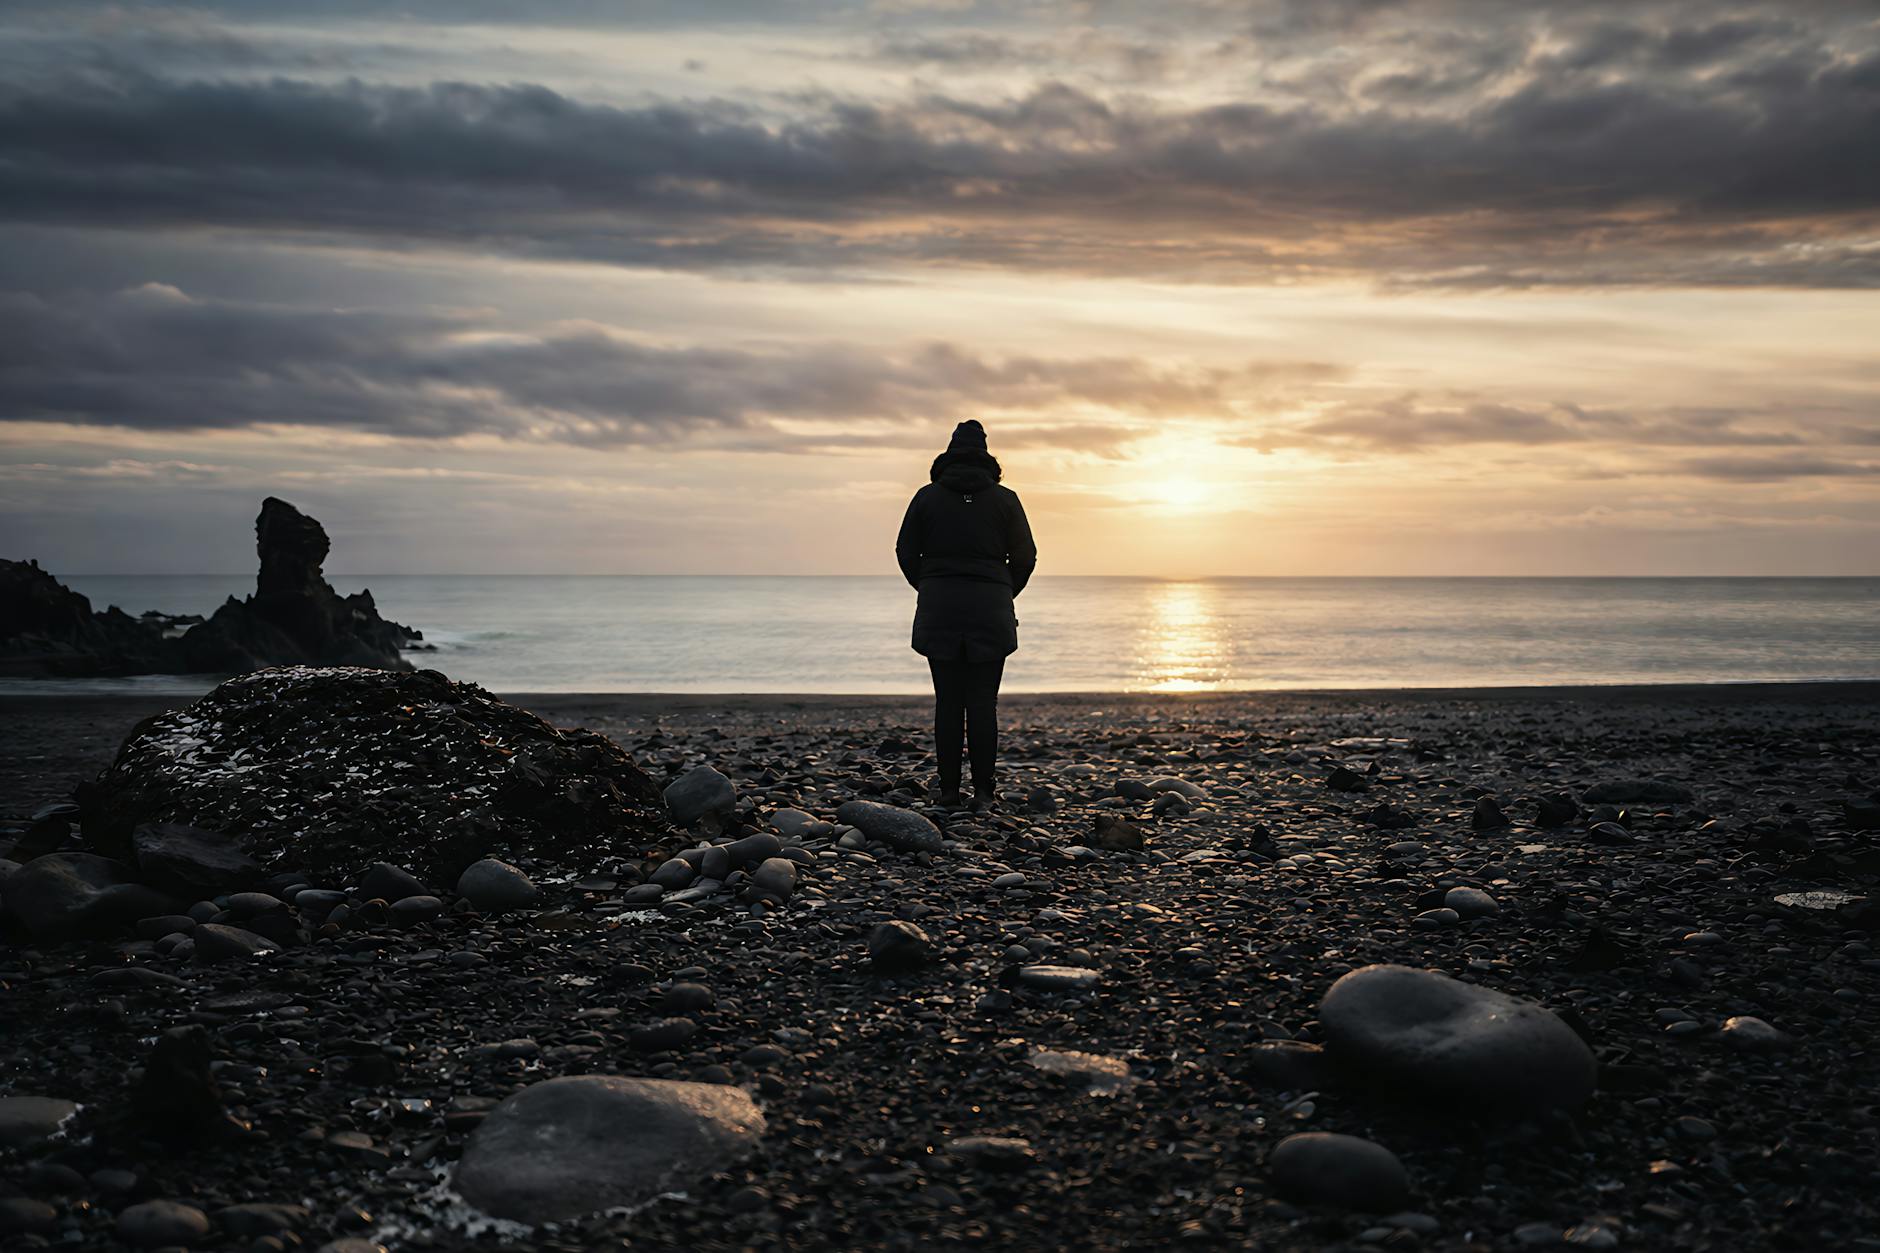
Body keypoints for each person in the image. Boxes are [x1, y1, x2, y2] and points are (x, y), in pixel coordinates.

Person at [896, 420, 1037, 810]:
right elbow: (1026, 556)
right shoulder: (1006, 499)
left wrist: (929, 586)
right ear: (987, 455)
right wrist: (1004, 589)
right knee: (982, 703)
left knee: (947, 702)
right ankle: (985, 793)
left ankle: (948, 791)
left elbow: (906, 553)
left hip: (940, 605)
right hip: (990, 607)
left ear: (949, 452)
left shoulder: (926, 497)